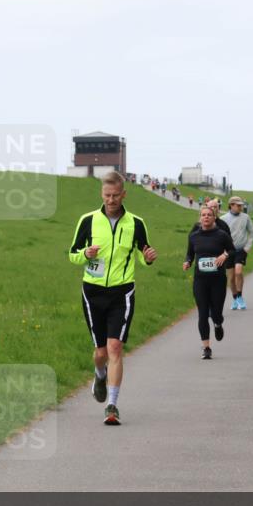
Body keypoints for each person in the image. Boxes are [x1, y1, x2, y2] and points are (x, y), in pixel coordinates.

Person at [69, 171, 158, 425]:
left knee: (115, 347)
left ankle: (112, 405)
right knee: (100, 352)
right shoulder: (88, 221)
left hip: (122, 291)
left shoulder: (136, 223)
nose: (111, 200)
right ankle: (99, 373)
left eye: (116, 195)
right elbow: (72, 254)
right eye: (107, 195)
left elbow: (143, 254)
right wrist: (85, 253)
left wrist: (148, 258)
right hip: (93, 291)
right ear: (101, 194)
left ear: (124, 194)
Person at [184, 205, 234, 359]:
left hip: (218, 280)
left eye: (209, 215)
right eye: (203, 215)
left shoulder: (222, 235)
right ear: (200, 217)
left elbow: (232, 250)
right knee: (203, 313)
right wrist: (187, 262)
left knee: (216, 313)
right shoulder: (194, 236)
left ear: (214, 218)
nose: (206, 217)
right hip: (200, 280)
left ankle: (218, 324)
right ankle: (206, 348)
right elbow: (190, 254)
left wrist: (224, 256)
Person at [218, 195, 253, 311]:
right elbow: (219, 235)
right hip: (228, 252)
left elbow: (252, 233)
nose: (241, 207)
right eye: (238, 205)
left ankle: (240, 296)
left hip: (241, 250)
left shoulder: (246, 217)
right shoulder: (223, 218)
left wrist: (247, 247)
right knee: (231, 277)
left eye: (241, 205)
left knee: (239, 272)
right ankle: (235, 298)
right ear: (231, 205)